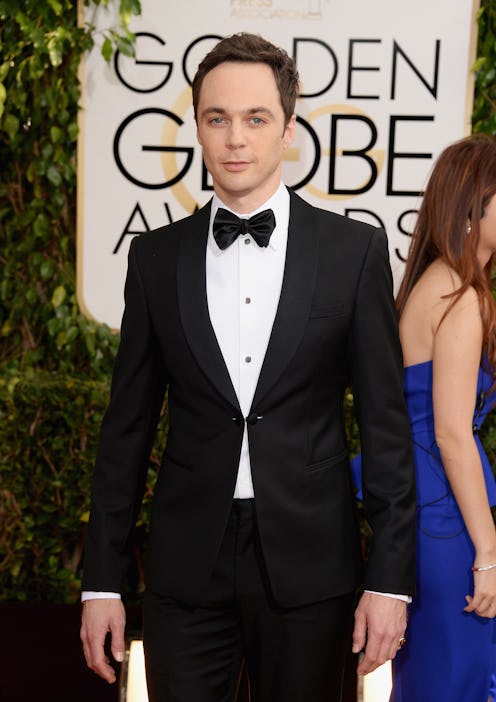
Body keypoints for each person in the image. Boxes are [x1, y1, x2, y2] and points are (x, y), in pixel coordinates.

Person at [80, 32, 416, 702]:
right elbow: (126, 431)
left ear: (288, 130)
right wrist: (101, 582)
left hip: (312, 568)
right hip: (185, 568)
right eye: (218, 118)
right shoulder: (155, 259)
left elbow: (385, 426)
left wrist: (389, 580)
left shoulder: (352, 252)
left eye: (256, 118)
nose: (235, 138)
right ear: (198, 128)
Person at [353, 133, 496, 701]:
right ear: (473, 205)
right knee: (456, 680)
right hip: (446, 517)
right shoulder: (460, 293)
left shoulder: (434, 282)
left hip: (426, 508)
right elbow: (452, 435)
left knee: (438, 679)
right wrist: (488, 552)